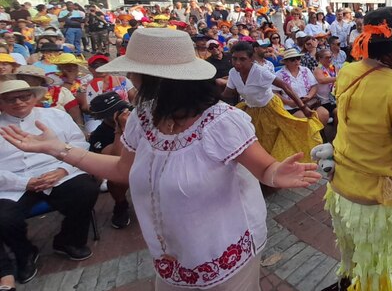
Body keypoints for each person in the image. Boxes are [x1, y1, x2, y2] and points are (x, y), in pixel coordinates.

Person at [0, 29, 322, 290]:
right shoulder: (144, 117)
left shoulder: (220, 121)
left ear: (159, 79)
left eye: (134, 71)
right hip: (172, 258)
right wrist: (58, 149)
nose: (128, 76)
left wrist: (277, 173)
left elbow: (264, 167)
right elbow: (122, 169)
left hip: (224, 256)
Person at [322, 6, 392, 291]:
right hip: (375, 199)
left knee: (351, 251)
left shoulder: (348, 71)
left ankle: (347, 284)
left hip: (340, 188)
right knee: (378, 267)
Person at [0, 80, 99, 287]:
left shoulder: (55, 116)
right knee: (4, 217)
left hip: (57, 171)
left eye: (24, 96)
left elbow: (79, 143)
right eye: (10, 99)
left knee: (85, 190)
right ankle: (24, 253)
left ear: (34, 97)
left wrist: (62, 170)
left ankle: (68, 240)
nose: (18, 102)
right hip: (13, 182)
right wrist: (23, 182)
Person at [222, 42, 323, 164]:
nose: (238, 63)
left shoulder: (260, 72)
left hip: (270, 109)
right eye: (234, 59)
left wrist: (303, 107)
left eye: (242, 59)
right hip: (251, 110)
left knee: (274, 139)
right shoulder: (233, 73)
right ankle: (264, 170)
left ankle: (276, 169)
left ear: (251, 59)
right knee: (256, 141)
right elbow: (229, 92)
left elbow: (286, 87)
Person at [87, 91, 133, 229]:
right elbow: (116, 159)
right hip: (126, 167)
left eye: (123, 107)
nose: (123, 112)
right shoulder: (98, 135)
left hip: (150, 163)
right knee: (114, 178)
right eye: (116, 111)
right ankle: (121, 205)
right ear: (103, 116)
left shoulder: (139, 118)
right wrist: (121, 129)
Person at [275, 50, 330, 126]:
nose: (296, 61)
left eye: (298, 58)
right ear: (286, 62)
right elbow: (275, 93)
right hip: (291, 106)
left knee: (324, 114)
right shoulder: (279, 74)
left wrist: (309, 96)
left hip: (309, 103)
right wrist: (288, 102)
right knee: (303, 118)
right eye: (292, 59)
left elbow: (314, 86)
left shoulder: (305, 70)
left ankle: (318, 135)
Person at [313, 49, 338, 123]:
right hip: (323, 102)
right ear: (320, 59)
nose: (329, 59)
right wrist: (338, 78)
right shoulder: (318, 69)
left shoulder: (334, 68)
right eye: (327, 57)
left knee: (339, 112)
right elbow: (322, 80)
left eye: (330, 57)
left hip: (334, 99)